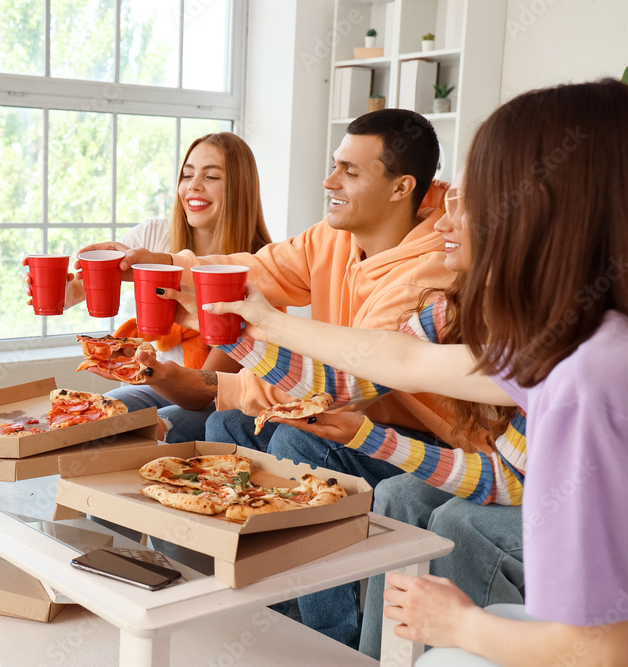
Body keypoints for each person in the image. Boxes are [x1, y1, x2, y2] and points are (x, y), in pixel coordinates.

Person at [198, 79, 628, 664]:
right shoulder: (560, 338)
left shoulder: (587, 373)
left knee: (450, 537)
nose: (444, 221)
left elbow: (602, 649)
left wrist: (458, 624)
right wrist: (257, 327)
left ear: (539, 214)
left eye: (472, 200)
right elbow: (394, 360)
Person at [80, 109, 472, 646]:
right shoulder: (333, 237)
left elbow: (345, 383)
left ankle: (327, 641)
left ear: (402, 186)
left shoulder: (428, 272)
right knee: (227, 432)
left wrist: (224, 385)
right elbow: (253, 273)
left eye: (350, 173)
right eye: (334, 166)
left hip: (410, 432)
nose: (329, 181)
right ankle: (266, 608)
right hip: (338, 405)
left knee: (291, 437)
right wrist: (160, 266)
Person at [165, 168, 526, 660]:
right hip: (505, 470)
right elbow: (341, 383)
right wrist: (235, 338)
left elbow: (398, 363)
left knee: (440, 513)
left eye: (463, 207)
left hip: (534, 486)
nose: (443, 221)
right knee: (243, 430)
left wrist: (265, 325)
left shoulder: (548, 341)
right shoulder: (447, 308)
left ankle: (349, 646)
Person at [27, 132, 272, 443]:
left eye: (211, 176)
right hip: (158, 382)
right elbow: (79, 292)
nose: (193, 185)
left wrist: (144, 369)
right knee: (108, 409)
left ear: (240, 190)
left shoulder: (262, 269)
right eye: (187, 175)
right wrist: (61, 293)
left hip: (219, 399)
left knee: (155, 423)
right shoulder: (155, 236)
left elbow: (201, 395)